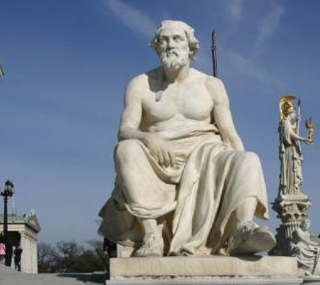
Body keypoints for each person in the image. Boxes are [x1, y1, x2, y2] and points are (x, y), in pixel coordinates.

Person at [98, 20, 275, 257]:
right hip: (159, 157)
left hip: (206, 154)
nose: (170, 44)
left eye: (177, 38)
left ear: (190, 46)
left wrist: (238, 160)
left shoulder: (211, 85)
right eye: (164, 39)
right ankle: (152, 236)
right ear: (156, 46)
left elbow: (229, 133)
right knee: (126, 149)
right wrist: (148, 139)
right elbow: (125, 129)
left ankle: (242, 228)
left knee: (248, 159)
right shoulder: (140, 84)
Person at [278, 96, 312, 196]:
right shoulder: (285, 123)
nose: (295, 114)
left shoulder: (288, 123)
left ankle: (294, 189)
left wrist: (297, 123)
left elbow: (293, 130)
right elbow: (290, 135)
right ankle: (291, 190)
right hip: (290, 151)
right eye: (294, 112)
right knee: (292, 169)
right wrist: (304, 139)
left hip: (293, 149)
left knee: (295, 168)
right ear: (289, 112)